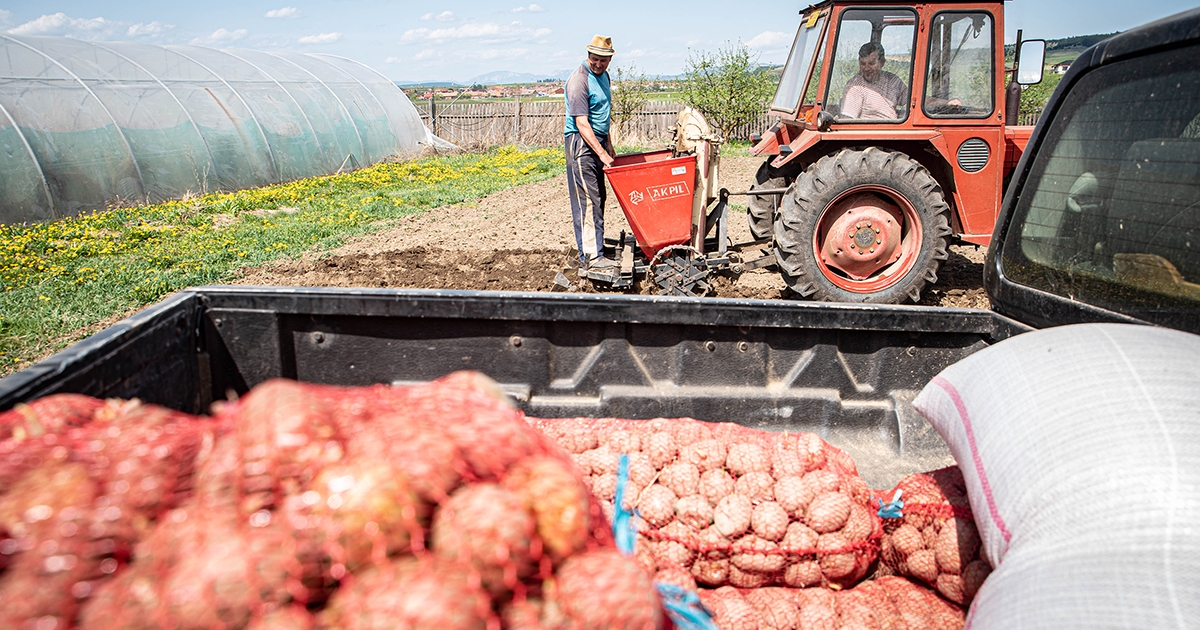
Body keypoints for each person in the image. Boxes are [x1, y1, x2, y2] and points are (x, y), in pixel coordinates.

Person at [565, 35, 617, 271]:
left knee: (599, 199)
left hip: (597, 141)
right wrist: (601, 153)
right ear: (588, 56)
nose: (598, 64)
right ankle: (592, 258)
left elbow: (602, 115)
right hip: (581, 144)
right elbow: (582, 123)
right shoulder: (579, 80)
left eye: (603, 60)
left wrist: (609, 144)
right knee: (588, 201)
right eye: (594, 59)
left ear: (610, 59)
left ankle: (596, 249)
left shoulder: (604, 76)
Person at [839, 42, 908, 120]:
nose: (866, 68)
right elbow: (847, 120)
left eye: (871, 64)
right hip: (872, 130)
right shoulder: (856, 86)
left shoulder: (892, 80)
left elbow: (911, 100)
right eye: (863, 64)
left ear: (882, 63)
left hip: (894, 127)